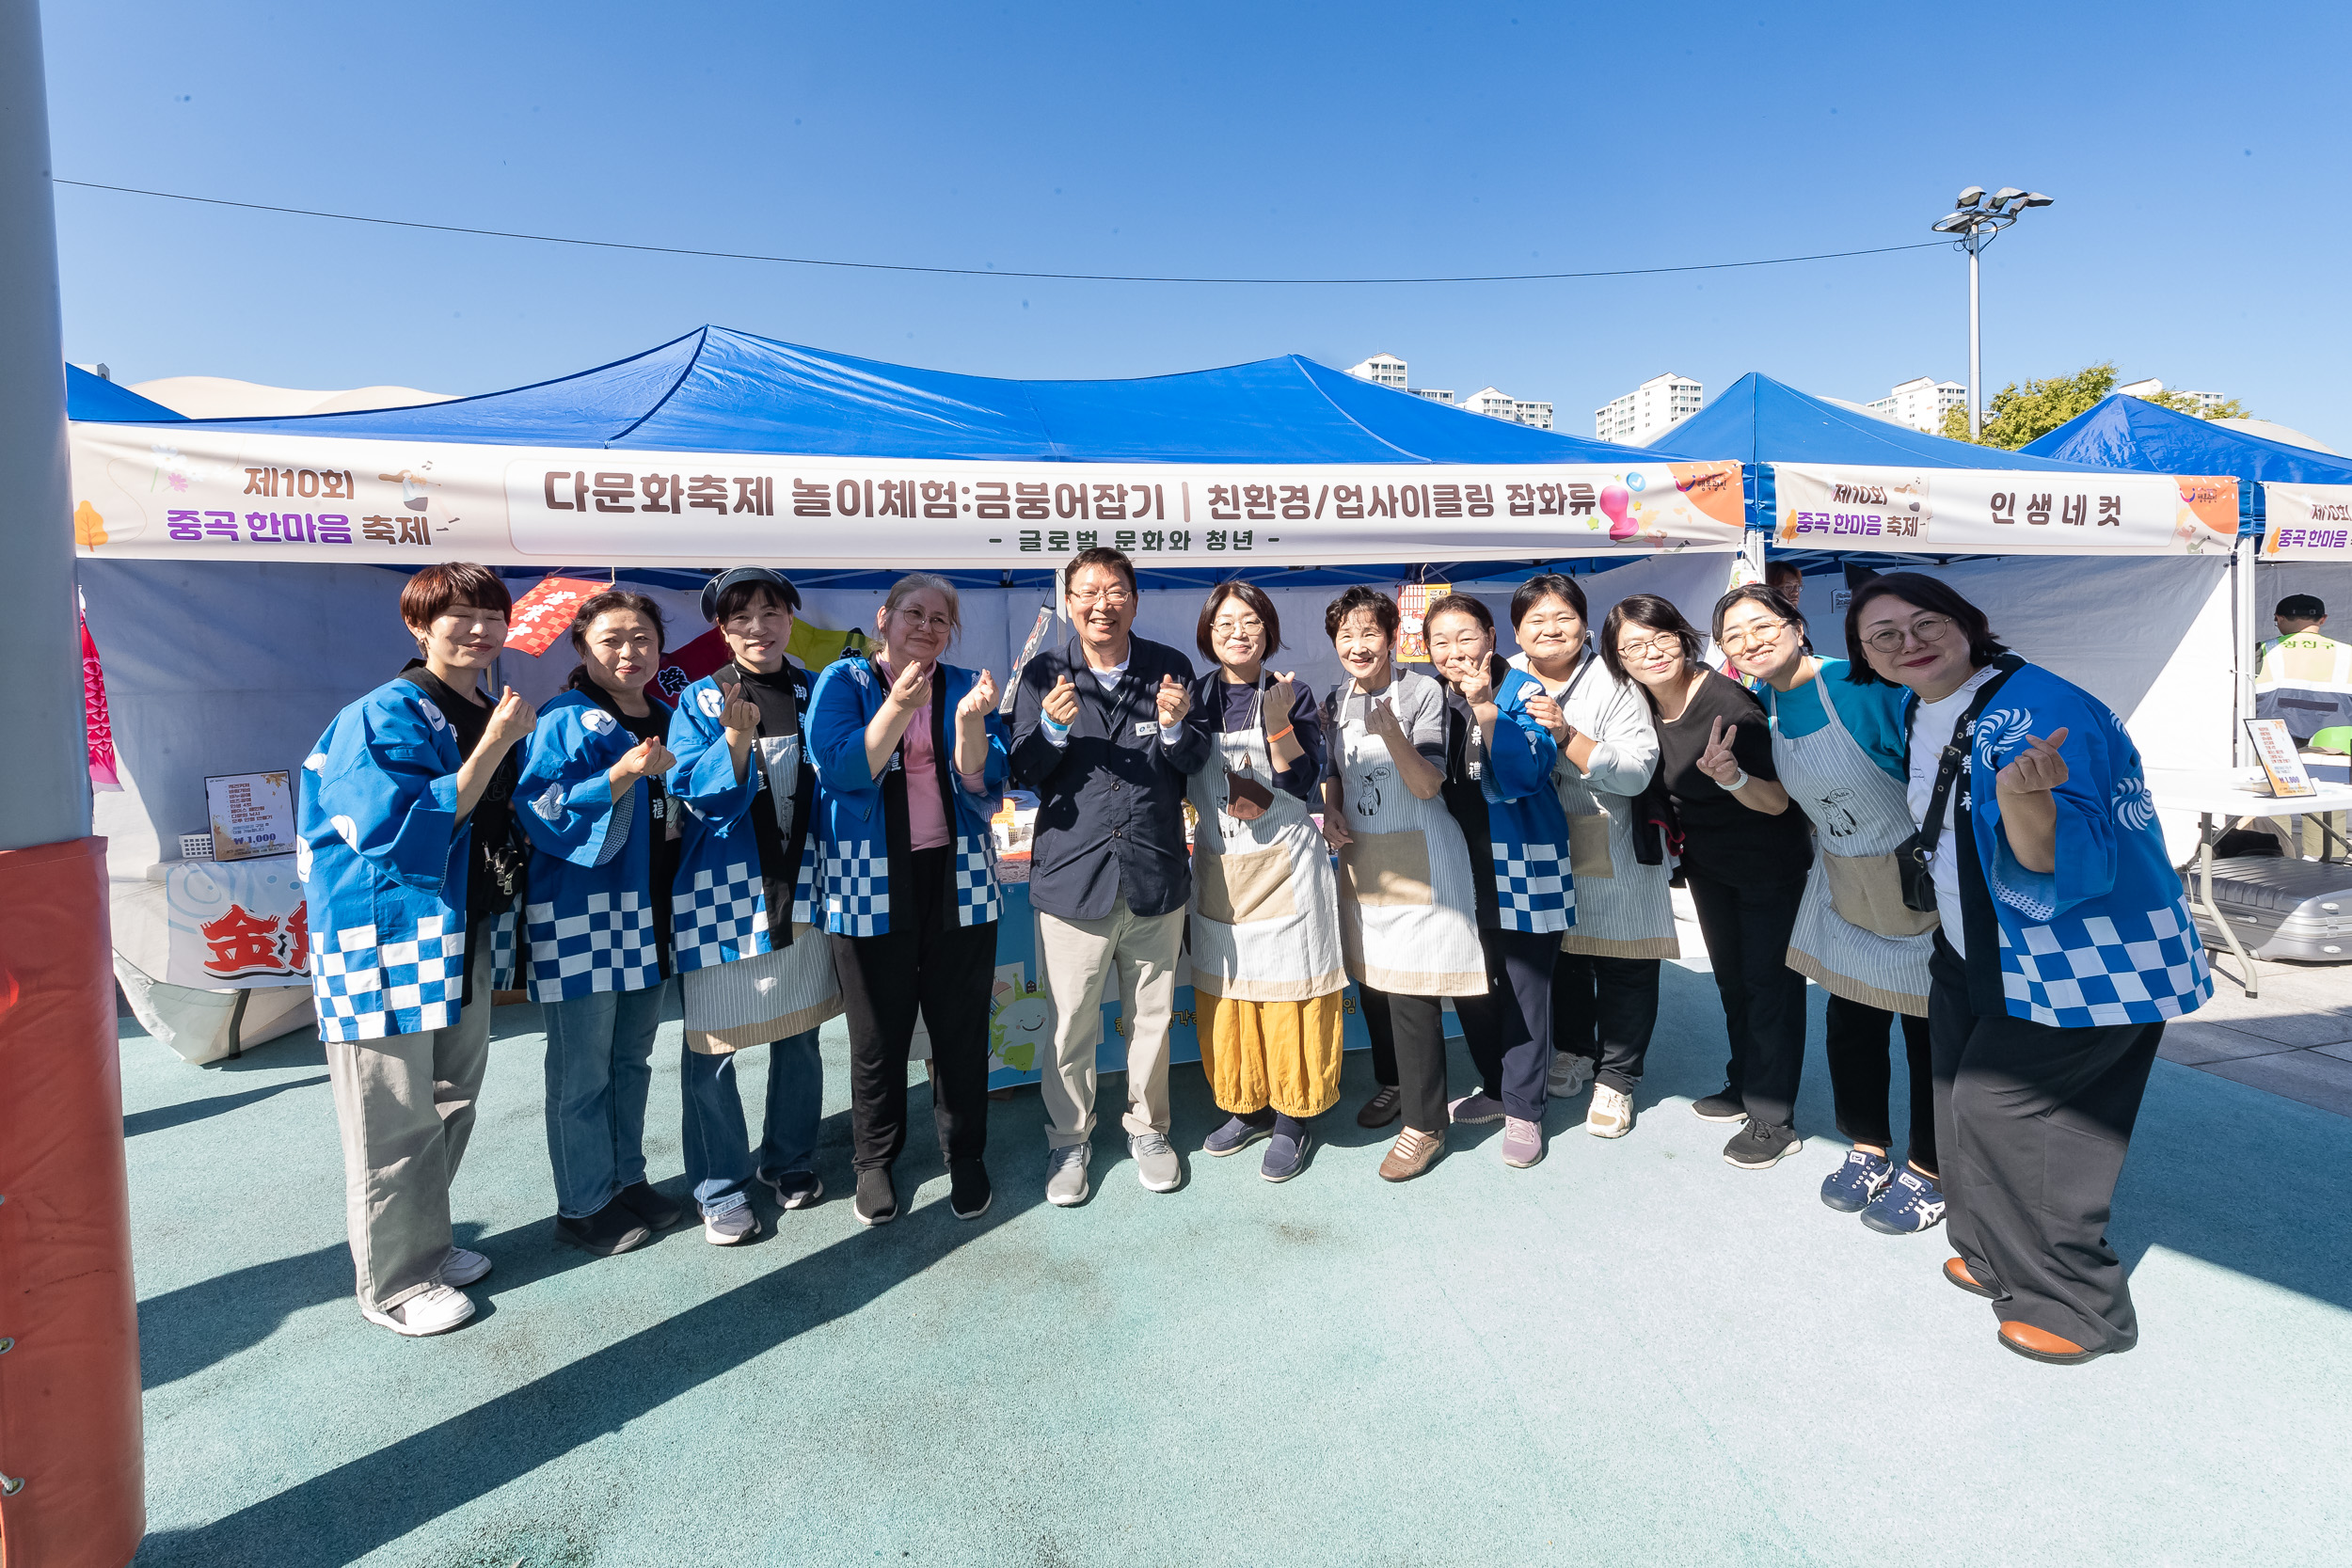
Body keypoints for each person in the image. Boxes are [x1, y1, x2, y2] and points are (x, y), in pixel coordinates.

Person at [1851, 573, 2211, 1365]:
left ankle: (2079, 1304)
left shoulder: (2036, 708)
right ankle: (1992, 1255)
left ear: (1969, 625)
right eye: (1884, 635)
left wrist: (2026, 800)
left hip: (2083, 955)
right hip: (1976, 947)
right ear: (1867, 658)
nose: (1908, 642)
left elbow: (2055, 857)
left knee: (2010, 1110)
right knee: (1953, 1096)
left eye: (1925, 622)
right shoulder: (1924, 704)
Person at [298, 562, 534, 1336]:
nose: (477, 629)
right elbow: (402, 828)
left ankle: (425, 1241)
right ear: (418, 626)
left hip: (458, 933)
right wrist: (496, 745)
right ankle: (394, 1281)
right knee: (392, 1116)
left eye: (490, 615)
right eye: (458, 615)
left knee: (451, 1099)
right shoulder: (385, 713)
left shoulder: (475, 706)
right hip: (384, 939)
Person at [1715, 583, 1943, 1232]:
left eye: (1762, 625)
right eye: (1735, 636)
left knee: (1930, 1032)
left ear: (1797, 624)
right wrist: (1729, 777)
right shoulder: (1769, 704)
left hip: (1916, 884)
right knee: (1853, 1023)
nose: (1751, 641)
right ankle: (1868, 1146)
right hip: (1844, 881)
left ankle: (1930, 1167)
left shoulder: (1863, 686)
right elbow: (1785, 804)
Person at [1009, 547, 1213, 1205]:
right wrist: (1051, 729)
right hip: (1074, 878)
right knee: (1072, 1024)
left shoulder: (1169, 666)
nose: (1103, 603)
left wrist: (1179, 728)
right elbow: (1022, 768)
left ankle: (1149, 1128)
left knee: (1151, 1018)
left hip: (1154, 873)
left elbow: (1192, 758)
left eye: (1116, 589)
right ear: (1069, 601)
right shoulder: (1044, 670)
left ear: (1135, 598)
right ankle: (1069, 1139)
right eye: (1089, 591)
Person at [806, 573, 1009, 1227]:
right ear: (883, 618)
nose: (926, 627)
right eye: (913, 614)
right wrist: (895, 705)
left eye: (940, 619)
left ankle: (966, 1153)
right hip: (867, 880)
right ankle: (874, 1161)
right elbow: (840, 767)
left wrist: (971, 724)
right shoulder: (845, 682)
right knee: (876, 1034)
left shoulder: (961, 683)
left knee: (961, 1028)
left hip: (960, 879)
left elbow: (983, 777)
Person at [1603, 594, 1814, 1169]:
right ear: (1618, 659)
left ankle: (1774, 1117)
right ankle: (1744, 1082)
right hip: (1709, 866)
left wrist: (1734, 775)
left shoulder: (1731, 708)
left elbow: (1776, 804)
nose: (1652, 653)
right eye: (1634, 646)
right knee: (1732, 981)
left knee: (1769, 987)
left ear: (1684, 636)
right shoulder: (1640, 705)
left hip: (1767, 862)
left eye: (1662, 637)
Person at [664, 567, 843, 1244]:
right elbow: (694, 793)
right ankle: (720, 1185)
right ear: (721, 629)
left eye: (771, 612)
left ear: (790, 620)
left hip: (803, 889)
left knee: (799, 1035)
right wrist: (735, 743)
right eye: (742, 618)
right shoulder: (702, 699)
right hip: (722, 897)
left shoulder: (814, 687)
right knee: (713, 1045)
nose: (759, 627)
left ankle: (789, 1159)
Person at [513, 590, 691, 1258]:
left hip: (651, 913)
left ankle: (627, 1177)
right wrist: (618, 774)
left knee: (631, 1058)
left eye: (641, 637)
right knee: (581, 1068)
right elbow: (538, 808)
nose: (629, 651)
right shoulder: (564, 717)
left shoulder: (669, 715)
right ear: (582, 646)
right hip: (582, 912)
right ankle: (582, 1202)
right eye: (612, 638)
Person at [1318, 588, 1486, 1182]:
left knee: (1413, 991)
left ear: (1392, 638)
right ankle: (1393, 1083)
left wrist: (1391, 731)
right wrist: (1331, 811)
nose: (1358, 647)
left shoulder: (1423, 693)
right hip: (1365, 855)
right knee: (1373, 981)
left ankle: (1426, 1124)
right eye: (1346, 637)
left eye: (1370, 634)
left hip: (1423, 854)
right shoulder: (1336, 699)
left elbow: (1427, 784)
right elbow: (1333, 770)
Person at [1184, 581, 1344, 1183]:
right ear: (1207, 633)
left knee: (1290, 989)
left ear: (1268, 630)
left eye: (1250, 622)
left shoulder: (1291, 692)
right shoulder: (1192, 697)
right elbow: (1175, 770)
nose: (1238, 633)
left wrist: (1278, 727)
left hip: (1287, 857)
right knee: (1230, 992)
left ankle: (1292, 1116)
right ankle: (1243, 1103)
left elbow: (1304, 782)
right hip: (1221, 860)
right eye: (1225, 623)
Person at [1507, 574, 1672, 1143]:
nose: (1551, 630)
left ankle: (1619, 1077)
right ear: (1516, 631)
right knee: (1565, 956)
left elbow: (1636, 772)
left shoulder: (1617, 682)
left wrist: (1567, 734)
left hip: (1612, 837)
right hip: (1536, 840)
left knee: (1624, 960)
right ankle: (1575, 1051)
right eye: (1536, 621)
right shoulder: (1506, 675)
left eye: (1564, 618)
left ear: (1585, 623)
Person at [1421, 593, 1572, 1169]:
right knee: (1471, 984)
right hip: (1459, 868)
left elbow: (1524, 776)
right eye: (1440, 642)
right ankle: (1493, 1083)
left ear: (1490, 635)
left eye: (1466, 636)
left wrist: (1485, 707)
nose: (1454, 652)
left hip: (1524, 862)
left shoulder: (1525, 692)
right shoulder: (1431, 698)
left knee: (1525, 990)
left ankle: (1525, 1109)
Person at [2254, 593, 2352, 745]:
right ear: (2323, 619)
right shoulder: (2348, 652)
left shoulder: (2260, 650)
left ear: (2279, 618)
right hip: (2337, 744)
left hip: (2274, 742)